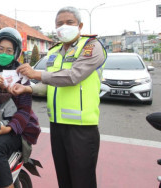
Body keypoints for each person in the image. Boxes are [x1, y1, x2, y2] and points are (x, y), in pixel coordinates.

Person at [10, 6, 107, 188]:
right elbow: (50, 86)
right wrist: (28, 89)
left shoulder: (91, 47)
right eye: (59, 23)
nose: (64, 26)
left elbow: (73, 76)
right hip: (57, 126)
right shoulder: (54, 52)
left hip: (82, 129)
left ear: (80, 25)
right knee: (64, 179)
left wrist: (36, 74)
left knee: (82, 181)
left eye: (69, 22)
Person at [0, 27, 41, 188]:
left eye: (9, 50)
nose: (4, 53)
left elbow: (24, 110)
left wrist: (8, 128)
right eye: (1, 49)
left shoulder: (22, 76)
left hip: (17, 129)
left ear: (15, 53)